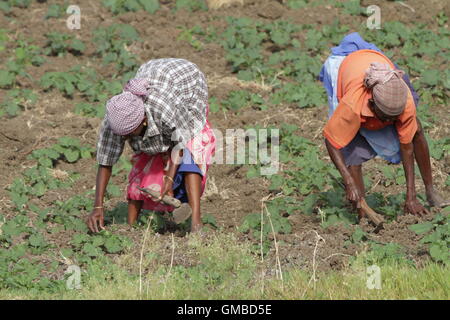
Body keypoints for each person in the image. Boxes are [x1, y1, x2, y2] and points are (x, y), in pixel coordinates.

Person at [319, 33, 449, 219]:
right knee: (352, 149)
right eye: (386, 118)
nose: (390, 124)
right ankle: (362, 209)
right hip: (346, 69)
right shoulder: (352, 105)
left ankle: (430, 191)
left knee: (415, 131)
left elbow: (407, 147)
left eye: (393, 119)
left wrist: (411, 196)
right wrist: (348, 181)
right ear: (372, 105)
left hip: (379, 65)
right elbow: (332, 141)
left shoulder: (405, 102)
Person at [86, 58, 216, 233]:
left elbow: (180, 144)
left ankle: (196, 223)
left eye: (131, 132)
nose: (126, 137)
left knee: (190, 156)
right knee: (145, 162)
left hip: (187, 84)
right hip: (155, 74)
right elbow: (105, 162)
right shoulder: (115, 118)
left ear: (144, 119)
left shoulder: (164, 109)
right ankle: (131, 230)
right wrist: (98, 207)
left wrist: (169, 180)